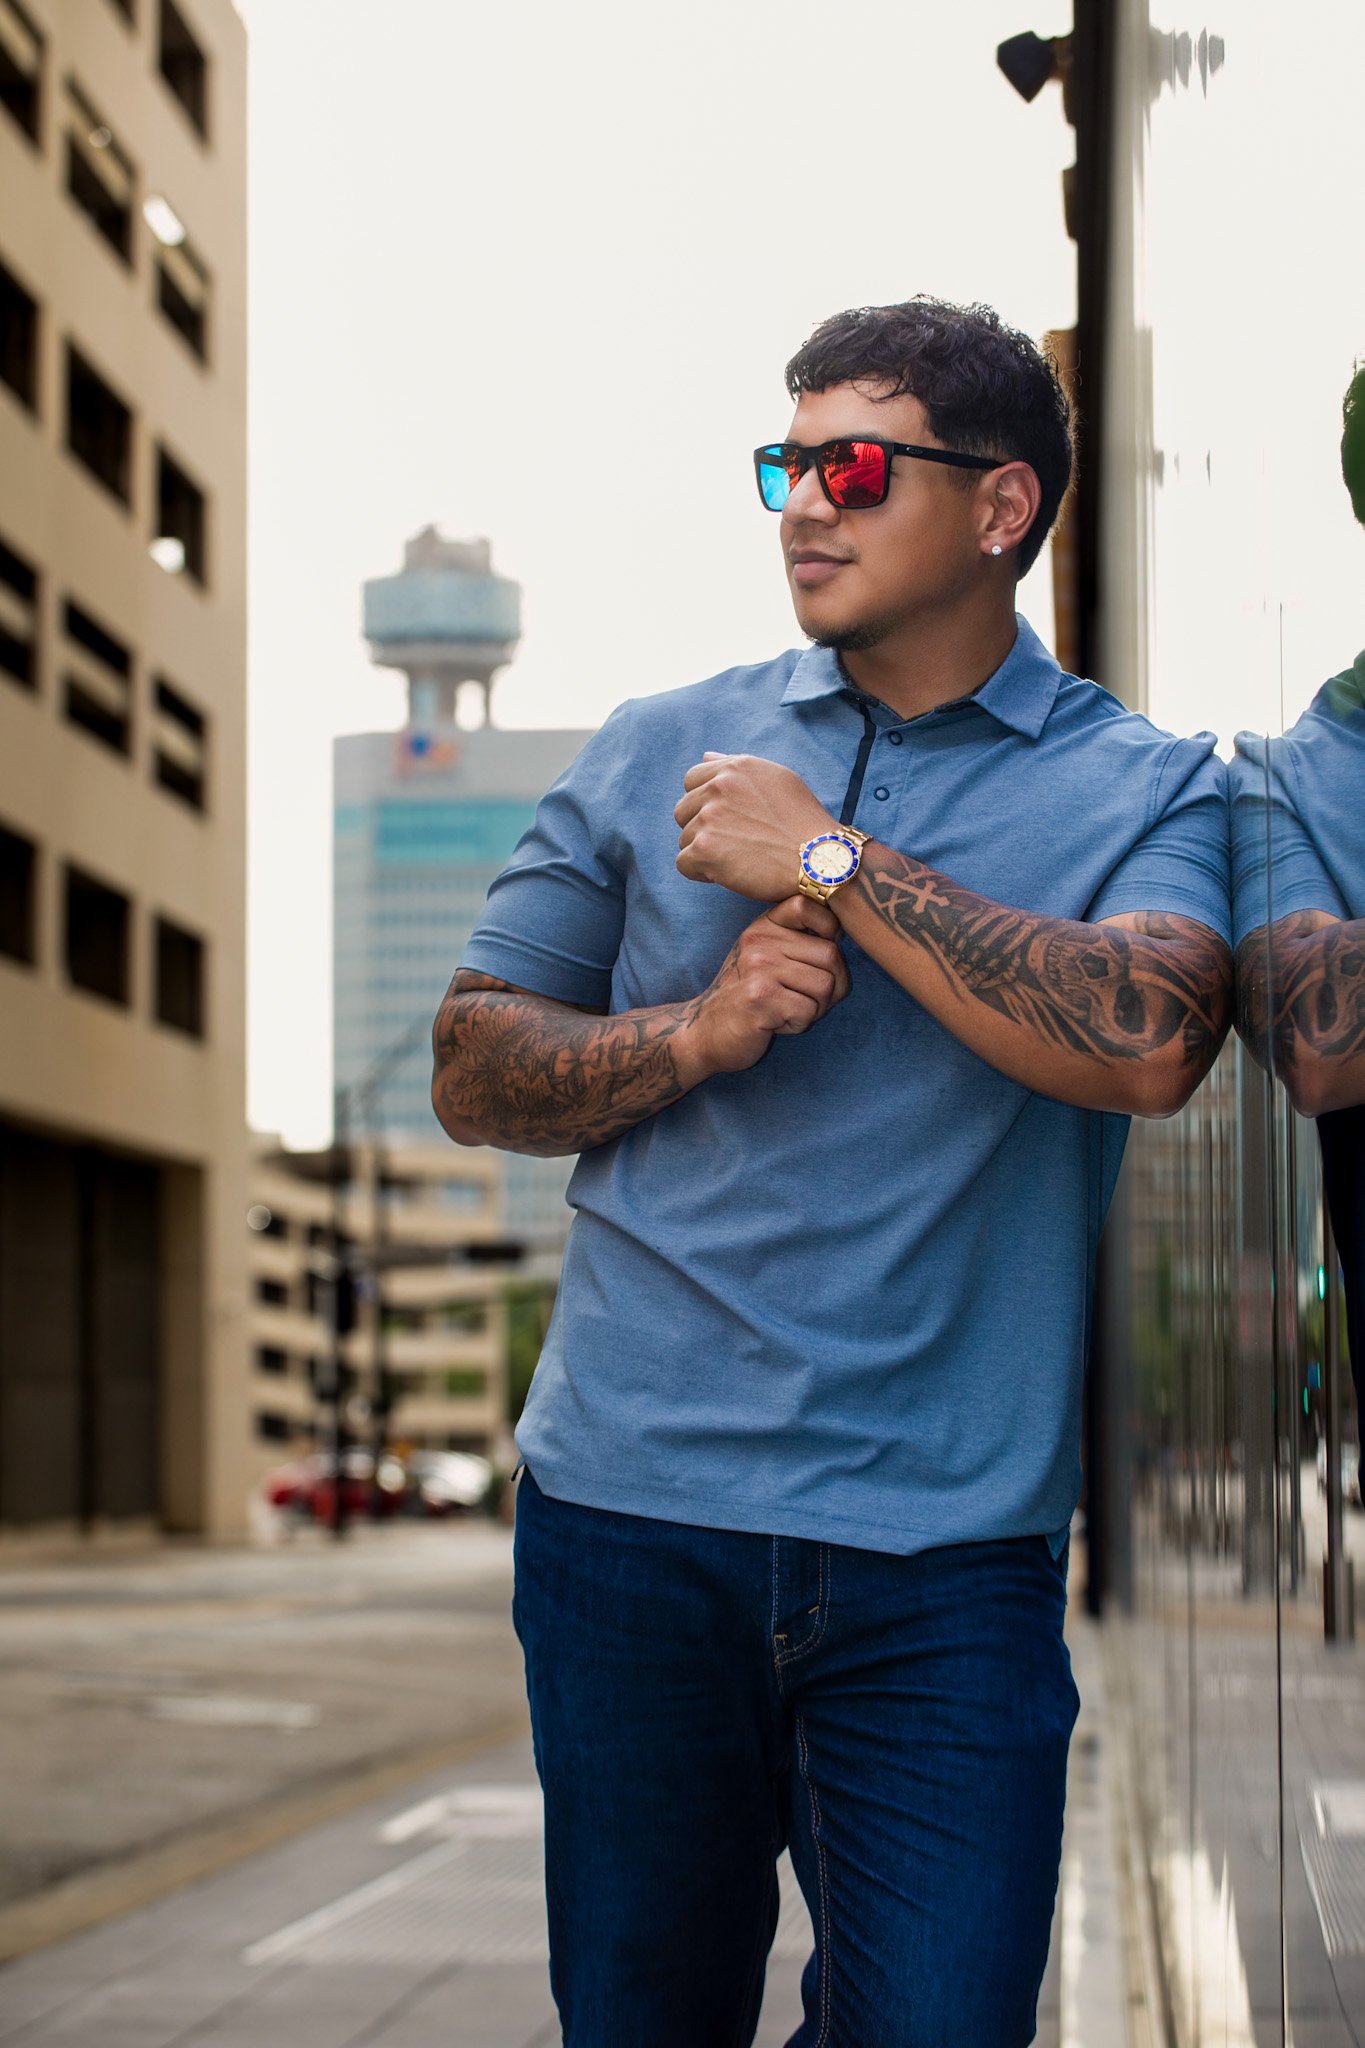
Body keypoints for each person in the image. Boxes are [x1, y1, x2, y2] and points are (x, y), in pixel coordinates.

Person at [431, 297, 1233, 2047]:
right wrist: (698, 1034)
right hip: (631, 1523)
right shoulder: (659, 744)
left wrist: (834, 859)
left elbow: (1151, 1039)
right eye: (785, 463)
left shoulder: (1148, 785)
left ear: (1002, 506)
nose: (806, 502)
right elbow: (471, 1064)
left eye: (854, 465)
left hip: (945, 1554)